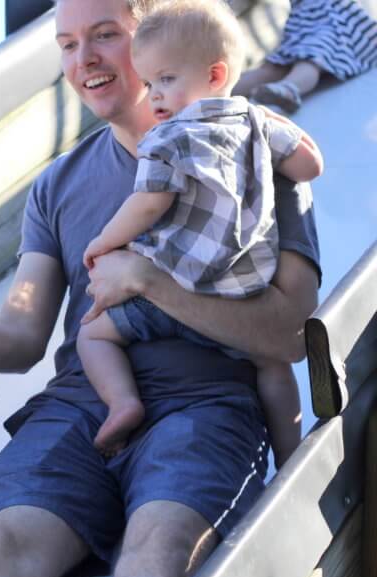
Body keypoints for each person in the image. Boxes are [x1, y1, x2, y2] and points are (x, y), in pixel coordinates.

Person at [0, 0, 321, 577]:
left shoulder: (256, 150)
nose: (82, 60)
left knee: (160, 544)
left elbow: (290, 331)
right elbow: (24, 325)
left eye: (105, 36)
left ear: (150, 44)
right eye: (66, 44)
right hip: (81, 408)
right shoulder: (56, 186)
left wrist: (149, 279)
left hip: (204, 403)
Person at [77, 0, 324, 462]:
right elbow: (309, 167)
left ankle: (122, 403)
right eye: (150, 84)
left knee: (94, 336)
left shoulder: (168, 138)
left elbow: (148, 204)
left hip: (179, 286)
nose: (155, 97)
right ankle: (291, 458)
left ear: (214, 75)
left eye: (166, 80)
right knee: (270, 365)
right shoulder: (257, 121)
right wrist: (296, 141)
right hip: (246, 291)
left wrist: (103, 242)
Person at [233, 0, 377, 112]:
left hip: (314, 14)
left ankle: (288, 88)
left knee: (306, 57)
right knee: (302, 58)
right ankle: (287, 88)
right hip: (317, 13)